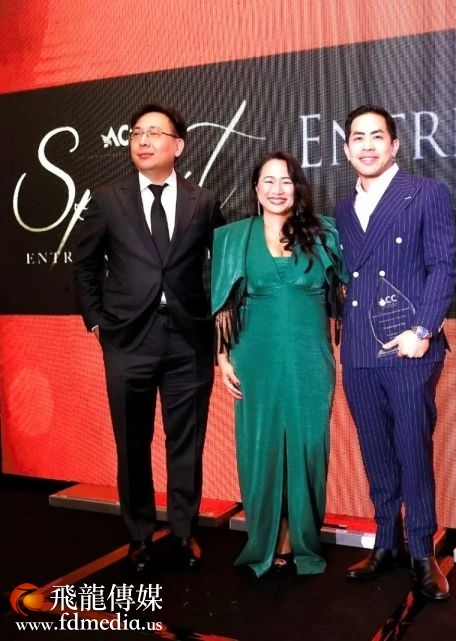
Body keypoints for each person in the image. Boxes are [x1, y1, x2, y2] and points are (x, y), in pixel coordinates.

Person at [74, 102, 225, 574]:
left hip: (187, 341)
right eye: (137, 132)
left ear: (178, 146)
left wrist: (216, 322)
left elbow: (223, 266)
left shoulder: (204, 201)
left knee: (187, 443)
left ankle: (182, 533)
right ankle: (139, 535)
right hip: (127, 341)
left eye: (155, 132)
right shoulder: (108, 199)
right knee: (132, 442)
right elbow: (84, 265)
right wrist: (98, 321)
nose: (143, 140)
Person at [334, 105, 456, 601]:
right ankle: (386, 541)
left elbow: (443, 266)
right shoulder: (343, 208)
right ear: (346, 149)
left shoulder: (426, 193)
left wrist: (423, 328)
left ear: (395, 144)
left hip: (409, 346)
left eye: (376, 136)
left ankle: (422, 551)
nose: (367, 145)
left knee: (411, 447)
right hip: (359, 349)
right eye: (358, 138)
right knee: (375, 449)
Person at [211, 151, 347, 577]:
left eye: (286, 181)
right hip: (255, 356)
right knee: (260, 447)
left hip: (310, 358)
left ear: (298, 188)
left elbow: (347, 291)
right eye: (268, 181)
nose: (276, 189)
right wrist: (222, 358)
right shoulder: (233, 237)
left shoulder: (324, 233)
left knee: (308, 448)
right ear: (255, 189)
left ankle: (302, 539)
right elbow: (224, 306)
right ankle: (265, 540)